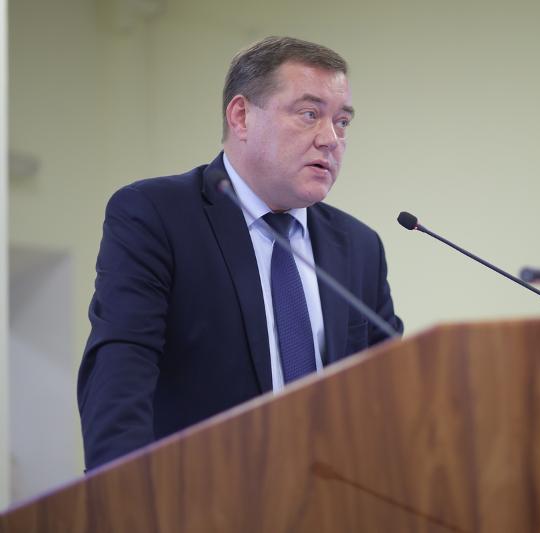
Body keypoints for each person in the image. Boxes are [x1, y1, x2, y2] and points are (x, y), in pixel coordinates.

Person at [77, 36, 403, 471]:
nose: (331, 139)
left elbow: (389, 389)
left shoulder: (359, 245)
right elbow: (121, 366)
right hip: (203, 494)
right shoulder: (156, 214)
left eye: (342, 121)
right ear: (241, 116)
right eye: (309, 114)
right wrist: (120, 493)